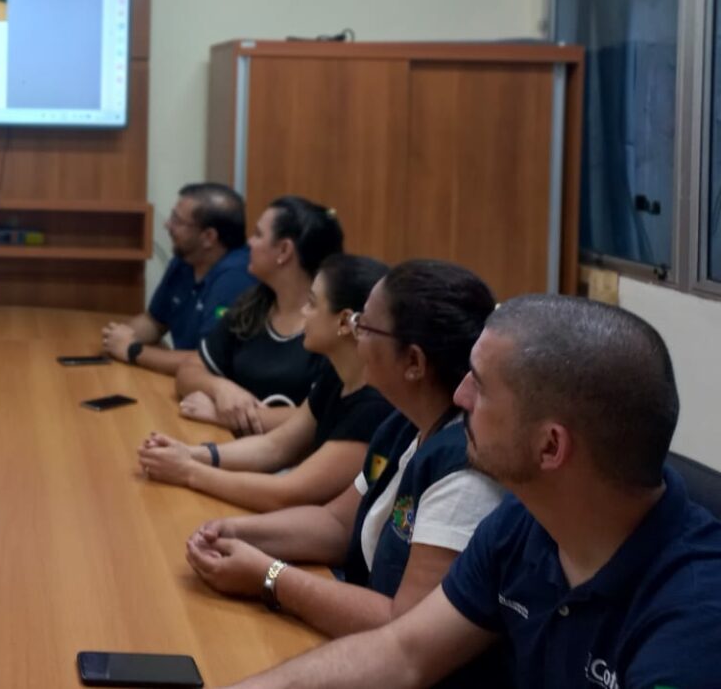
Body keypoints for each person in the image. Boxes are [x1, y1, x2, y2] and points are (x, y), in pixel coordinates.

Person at [222, 295, 721, 689]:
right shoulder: (526, 523)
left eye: (479, 387)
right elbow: (402, 653)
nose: (459, 397)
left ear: (550, 446)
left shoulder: (695, 620)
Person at [183, 261, 506, 684]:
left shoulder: (467, 475)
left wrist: (270, 576)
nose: (353, 334)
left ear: (413, 361)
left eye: (365, 326)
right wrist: (235, 532)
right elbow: (336, 523)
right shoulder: (405, 423)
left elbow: (403, 627)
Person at [138, 254, 394, 512]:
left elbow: (287, 493)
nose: (303, 312)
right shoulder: (337, 376)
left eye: (312, 304)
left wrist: (188, 471)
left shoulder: (375, 404)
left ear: (344, 321)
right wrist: (190, 453)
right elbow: (275, 447)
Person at [175, 196, 343, 435]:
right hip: (234, 449)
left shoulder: (331, 326)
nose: (249, 243)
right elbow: (188, 370)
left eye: (258, 234)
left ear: (284, 250)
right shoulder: (253, 305)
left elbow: (322, 415)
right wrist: (221, 389)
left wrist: (224, 416)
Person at [101, 183, 255, 376]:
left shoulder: (235, 279)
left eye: (177, 220)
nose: (167, 225)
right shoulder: (186, 259)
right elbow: (155, 322)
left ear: (208, 237)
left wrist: (132, 350)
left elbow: (207, 361)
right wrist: (117, 337)